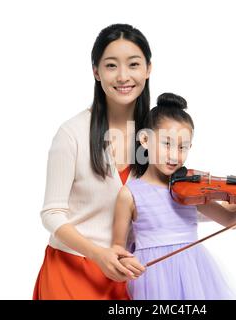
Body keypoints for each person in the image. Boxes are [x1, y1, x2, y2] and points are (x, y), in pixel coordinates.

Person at [111, 93, 236, 299]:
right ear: (145, 139)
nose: (175, 155)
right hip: (152, 281)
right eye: (167, 144)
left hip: (194, 272)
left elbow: (230, 220)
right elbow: (118, 249)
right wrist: (125, 261)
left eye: (182, 147)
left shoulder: (190, 188)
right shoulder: (129, 194)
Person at [33, 23, 152, 299]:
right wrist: (98, 254)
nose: (123, 76)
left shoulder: (157, 136)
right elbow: (52, 213)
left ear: (148, 68)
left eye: (133, 64)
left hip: (127, 278)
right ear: (96, 72)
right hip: (72, 272)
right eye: (111, 66)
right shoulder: (72, 133)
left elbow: (171, 203)